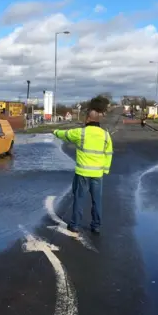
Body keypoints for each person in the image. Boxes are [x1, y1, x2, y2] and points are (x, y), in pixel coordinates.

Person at [52, 98, 113, 234]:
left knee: (79, 199)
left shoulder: (81, 133)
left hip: (83, 173)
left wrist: (55, 132)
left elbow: (65, 134)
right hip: (97, 174)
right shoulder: (105, 135)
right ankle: (96, 225)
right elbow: (109, 153)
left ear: (88, 119)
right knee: (97, 200)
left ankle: (75, 225)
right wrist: (105, 169)